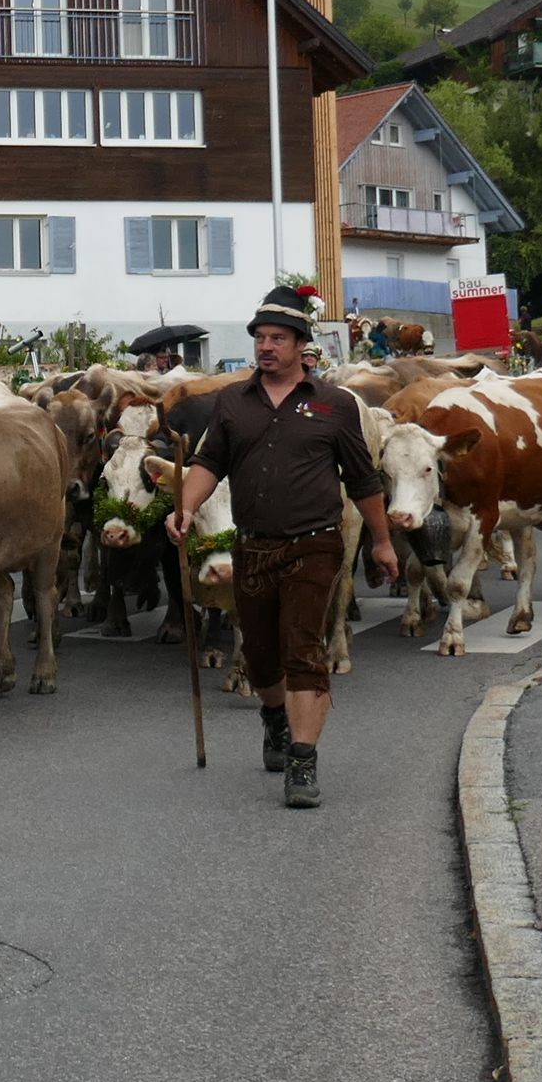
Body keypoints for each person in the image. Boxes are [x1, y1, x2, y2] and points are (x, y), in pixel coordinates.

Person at [168, 285, 398, 810]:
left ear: (301, 346)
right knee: (263, 655)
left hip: (314, 544)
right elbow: (208, 465)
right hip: (253, 545)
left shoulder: (333, 406)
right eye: (260, 338)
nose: (266, 347)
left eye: (278, 338)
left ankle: (302, 759)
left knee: (302, 650)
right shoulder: (232, 403)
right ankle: (274, 717)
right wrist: (183, 508)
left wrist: (382, 542)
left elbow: (363, 481)